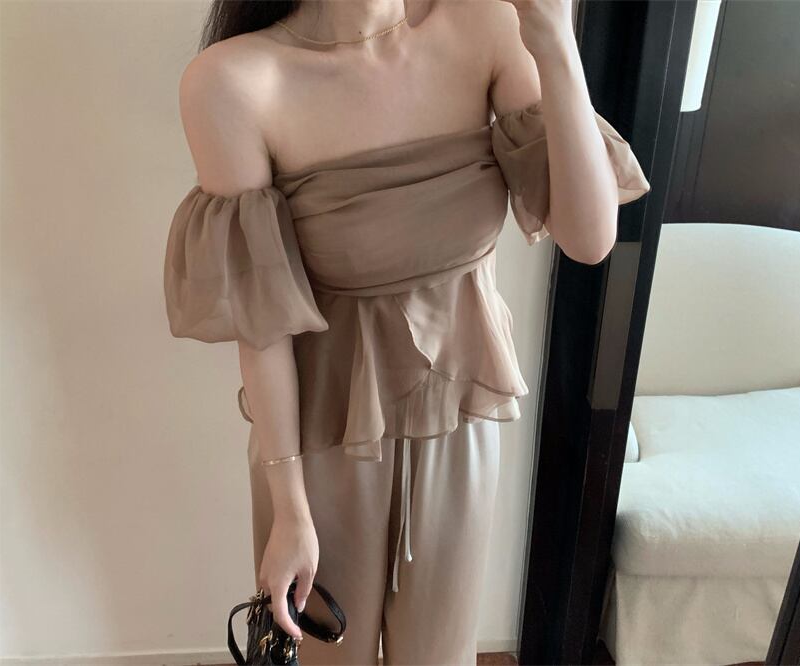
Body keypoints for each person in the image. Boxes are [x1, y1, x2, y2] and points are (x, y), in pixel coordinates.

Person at [162, 0, 650, 663]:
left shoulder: (485, 26)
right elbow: (262, 321)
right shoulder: (234, 81)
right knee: (331, 656)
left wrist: (556, 41)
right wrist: (290, 507)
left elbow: (589, 239)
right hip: (321, 439)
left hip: (461, 420)